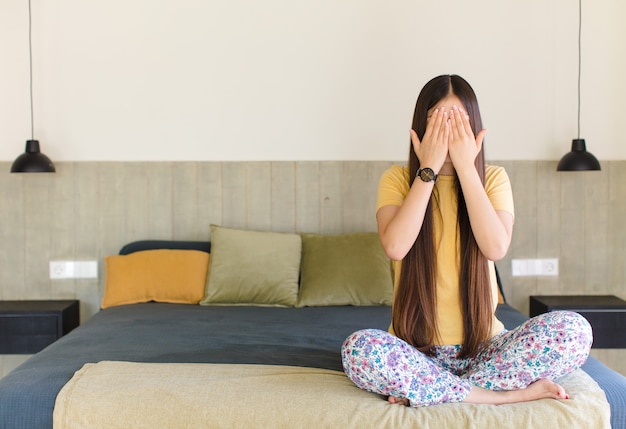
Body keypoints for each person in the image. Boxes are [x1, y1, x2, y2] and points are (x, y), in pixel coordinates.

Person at [341, 74, 592, 406]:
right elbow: (396, 246)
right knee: (358, 350)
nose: (447, 134)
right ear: (419, 130)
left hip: (485, 347)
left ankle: (430, 390)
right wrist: (428, 168)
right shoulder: (399, 180)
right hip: (414, 350)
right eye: (438, 123)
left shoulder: (493, 179)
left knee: (575, 330)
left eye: (457, 123)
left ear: (475, 130)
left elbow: (495, 247)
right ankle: (498, 397)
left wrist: (465, 165)